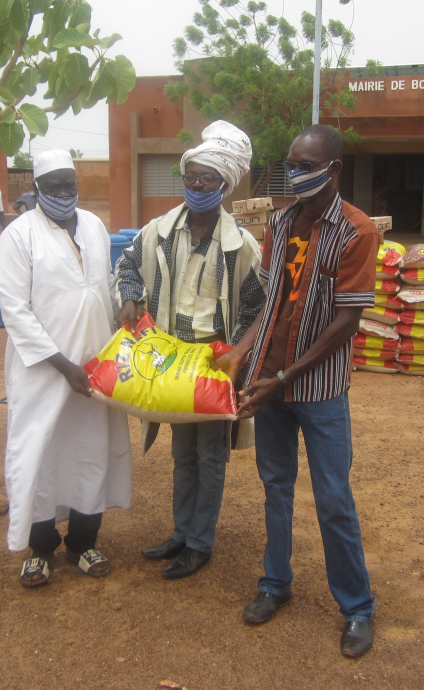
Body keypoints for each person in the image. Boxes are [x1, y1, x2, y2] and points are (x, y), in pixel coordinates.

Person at [215, 124, 379, 658]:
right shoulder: (283, 221)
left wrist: (285, 379)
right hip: (269, 382)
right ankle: (274, 584)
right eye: (290, 163)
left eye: (306, 165)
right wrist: (243, 353)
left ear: (332, 169)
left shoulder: (356, 232)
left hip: (319, 390)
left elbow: (347, 321)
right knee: (275, 485)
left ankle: (356, 606)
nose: (295, 173)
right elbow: (272, 300)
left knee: (334, 498)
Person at [115, 120, 266, 579]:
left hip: (214, 363)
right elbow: (127, 264)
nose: (198, 185)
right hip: (171, 362)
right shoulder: (159, 231)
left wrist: (236, 358)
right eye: (192, 177)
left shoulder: (242, 245)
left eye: (208, 179)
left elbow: (259, 307)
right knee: (183, 450)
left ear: (224, 185)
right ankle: (181, 533)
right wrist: (128, 297)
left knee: (211, 455)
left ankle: (200, 542)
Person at [0, 149, 131, 588]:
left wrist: (122, 309)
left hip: (94, 368)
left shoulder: (93, 225)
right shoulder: (18, 236)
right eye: (52, 186)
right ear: (35, 189)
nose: (62, 193)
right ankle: (40, 550)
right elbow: (14, 311)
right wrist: (62, 366)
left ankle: (83, 542)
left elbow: (102, 285)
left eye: (68, 185)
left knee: (91, 450)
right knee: (41, 452)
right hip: (43, 370)